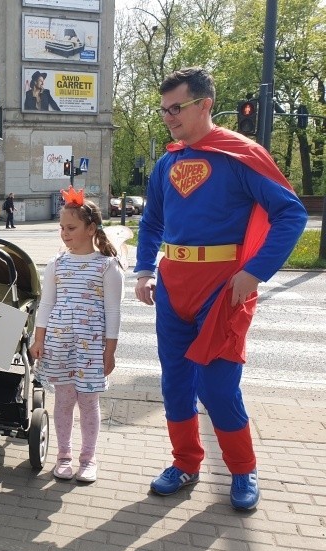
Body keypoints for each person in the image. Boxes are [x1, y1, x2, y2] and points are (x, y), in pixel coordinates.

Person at [134, 67, 307, 510]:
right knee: (175, 384)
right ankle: (185, 462)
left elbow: (291, 214)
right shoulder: (167, 161)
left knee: (217, 388)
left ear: (205, 104)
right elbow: (152, 220)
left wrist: (255, 273)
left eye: (177, 108)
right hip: (173, 288)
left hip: (223, 291)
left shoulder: (240, 154)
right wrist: (143, 271)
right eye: (164, 110)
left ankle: (242, 469)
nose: (169, 117)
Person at [29, 193, 124, 483]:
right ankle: (64, 456)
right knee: (63, 401)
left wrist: (110, 351)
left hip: (92, 348)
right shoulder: (57, 263)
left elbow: (113, 312)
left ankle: (88, 459)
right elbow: (46, 305)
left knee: (88, 402)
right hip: (60, 344)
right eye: (62, 228)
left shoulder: (107, 266)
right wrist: (38, 339)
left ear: (91, 229)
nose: (64, 233)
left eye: (71, 228)